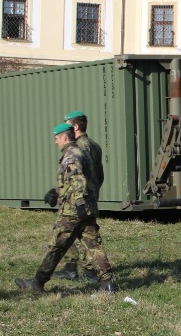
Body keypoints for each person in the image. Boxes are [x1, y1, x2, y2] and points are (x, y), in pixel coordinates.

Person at [15, 122, 117, 293]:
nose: (55, 142)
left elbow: (78, 181)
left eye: (56, 138)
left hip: (73, 211)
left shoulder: (71, 156)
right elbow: (84, 179)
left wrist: (79, 204)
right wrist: (56, 192)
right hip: (88, 208)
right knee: (93, 245)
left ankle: (37, 283)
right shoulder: (82, 152)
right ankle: (107, 283)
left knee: (57, 245)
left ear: (64, 137)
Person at [54, 110, 104, 282]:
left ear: (75, 127)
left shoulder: (78, 147)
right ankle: (82, 268)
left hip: (78, 198)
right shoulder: (95, 145)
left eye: (67, 125)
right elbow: (100, 175)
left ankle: (85, 269)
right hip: (89, 195)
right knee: (85, 233)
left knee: (74, 232)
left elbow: (77, 175)